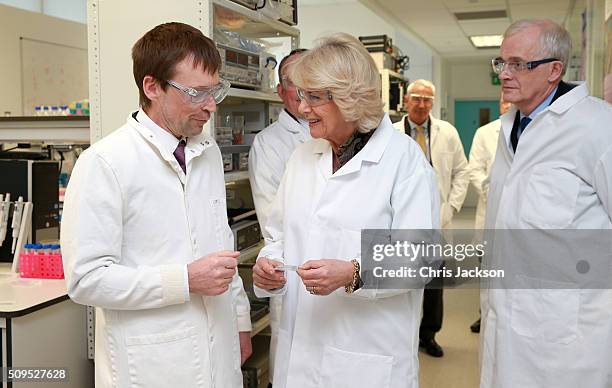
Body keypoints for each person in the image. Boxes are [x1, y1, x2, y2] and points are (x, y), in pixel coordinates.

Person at [61, 22, 252, 388]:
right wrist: (184, 280)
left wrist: (240, 322)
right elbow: (86, 280)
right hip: (150, 366)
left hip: (219, 353)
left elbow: (220, 247)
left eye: (215, 91)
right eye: (197, 92)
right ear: (152, 87)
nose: (211, 106)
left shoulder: (206, 152)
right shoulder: (106, 162)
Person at [252, 33, 439, 388]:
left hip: (365, 353)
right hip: (299, 351)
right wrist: (269, 267)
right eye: (302, 95)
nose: (303, 107)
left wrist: (354, 272)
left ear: (350, 98)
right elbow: (277, 235)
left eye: (314, 97)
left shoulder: (404, 161)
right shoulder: (304, 156)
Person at [481, 19, 612, 388]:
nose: (504, 74)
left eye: (518, 64)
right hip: (505, 320)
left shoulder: (599, 128)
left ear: (555, 69)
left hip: (569, 337)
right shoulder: (511, 126)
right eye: (501, 62)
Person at [393, 79, 470, 357]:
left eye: (428, 99)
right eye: (417, 98)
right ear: (406, 100)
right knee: (402, 279)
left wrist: (450, 208)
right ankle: (404, 336)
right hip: (402, 221)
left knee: (434, 284)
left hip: (438, 219)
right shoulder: (391, 133)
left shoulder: (446, 132)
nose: (422, 104)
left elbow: (462, 171)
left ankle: (429, 335)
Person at [248, 48, 310, 387]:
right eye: (293, 84)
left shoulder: (343, 136)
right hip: (292, 272)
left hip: (338, 278)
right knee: (293, 367)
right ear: (279, 91)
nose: (302, 93)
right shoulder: (269, 144)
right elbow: (275, 219)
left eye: (309, 82)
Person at [467, 95, 511, 333]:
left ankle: (505, 317)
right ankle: (485, 314)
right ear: (500, 104)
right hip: (490, 214)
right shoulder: (485, 133)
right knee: (488, 270)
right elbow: (474, 168)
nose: (509, 105)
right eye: (505, 102)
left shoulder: (536, 130)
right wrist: (492, 193)